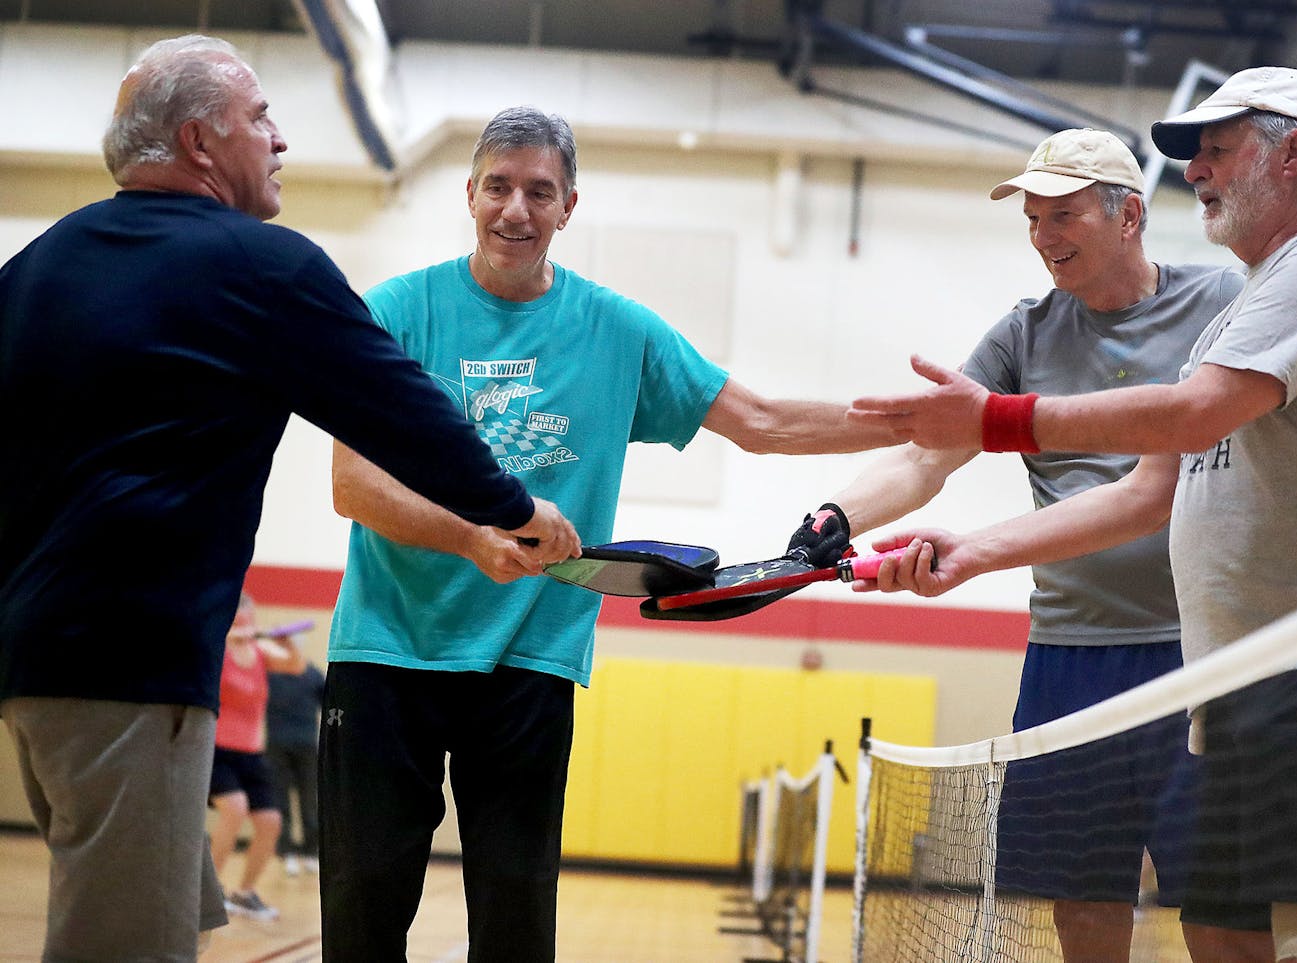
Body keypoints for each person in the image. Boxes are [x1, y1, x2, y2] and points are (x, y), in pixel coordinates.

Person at [0, 35, 578, 962]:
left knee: (145, 914)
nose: (279, 140)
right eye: (259, 118)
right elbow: (403, 413)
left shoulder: (36, 266)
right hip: (133, 675)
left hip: (33, 670)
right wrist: (515, 509)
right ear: (198, 141)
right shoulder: (261, 268)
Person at [851, 66, 1297, 963]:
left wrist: (1001, 419)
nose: (1196, 171)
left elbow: (1191, 416)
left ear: (1296, 155)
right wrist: (969, 551)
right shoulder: (1242, 309)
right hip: (1240, 674)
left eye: (1218, 151)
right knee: (1234, 936)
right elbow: (1146, 491)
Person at [319, 105, 901, 962]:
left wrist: (917, 423)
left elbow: (763, 421)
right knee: (365, 907)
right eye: (499, 187)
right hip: (387, 649)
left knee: (516, 916)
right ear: (470, 193)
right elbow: (352, 485)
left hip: (530, 657)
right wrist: (473, 539)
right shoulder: (398, 309)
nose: (516, 208)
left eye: (539, 191)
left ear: (568, 207)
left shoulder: (618, 331)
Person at [782, 128, 1243, 963]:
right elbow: (930, 453)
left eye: (1063, 216)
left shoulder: (1222, 302)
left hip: (1203, 651)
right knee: (1083, 904)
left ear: (1130, 214)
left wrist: (972, 550)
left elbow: (1160, 488)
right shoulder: (1023, 334)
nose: (1044, 237)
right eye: (1033, 220)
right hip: (1069, 656)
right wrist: (832, 518)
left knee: (1222, 911)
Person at [210, 593, 307, 921]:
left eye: (248, 617)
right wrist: (229, 635)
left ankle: (245, 893)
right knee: (234, 809)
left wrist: (287, 642)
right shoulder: (217, 647)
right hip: (217, 751)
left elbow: (295, 665)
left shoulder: (260, 651)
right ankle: (207, 892)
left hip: (251, 753)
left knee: (270, 822)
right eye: (239, 618)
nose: (245, 623)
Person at [264, 629, 325, 878]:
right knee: (280, 802)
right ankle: (287, 852)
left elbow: (329, 705)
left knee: (310, 801)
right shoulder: (269, 675)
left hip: (307, 746)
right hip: (277, 746)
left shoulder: (311, 674)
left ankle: (312, 852)